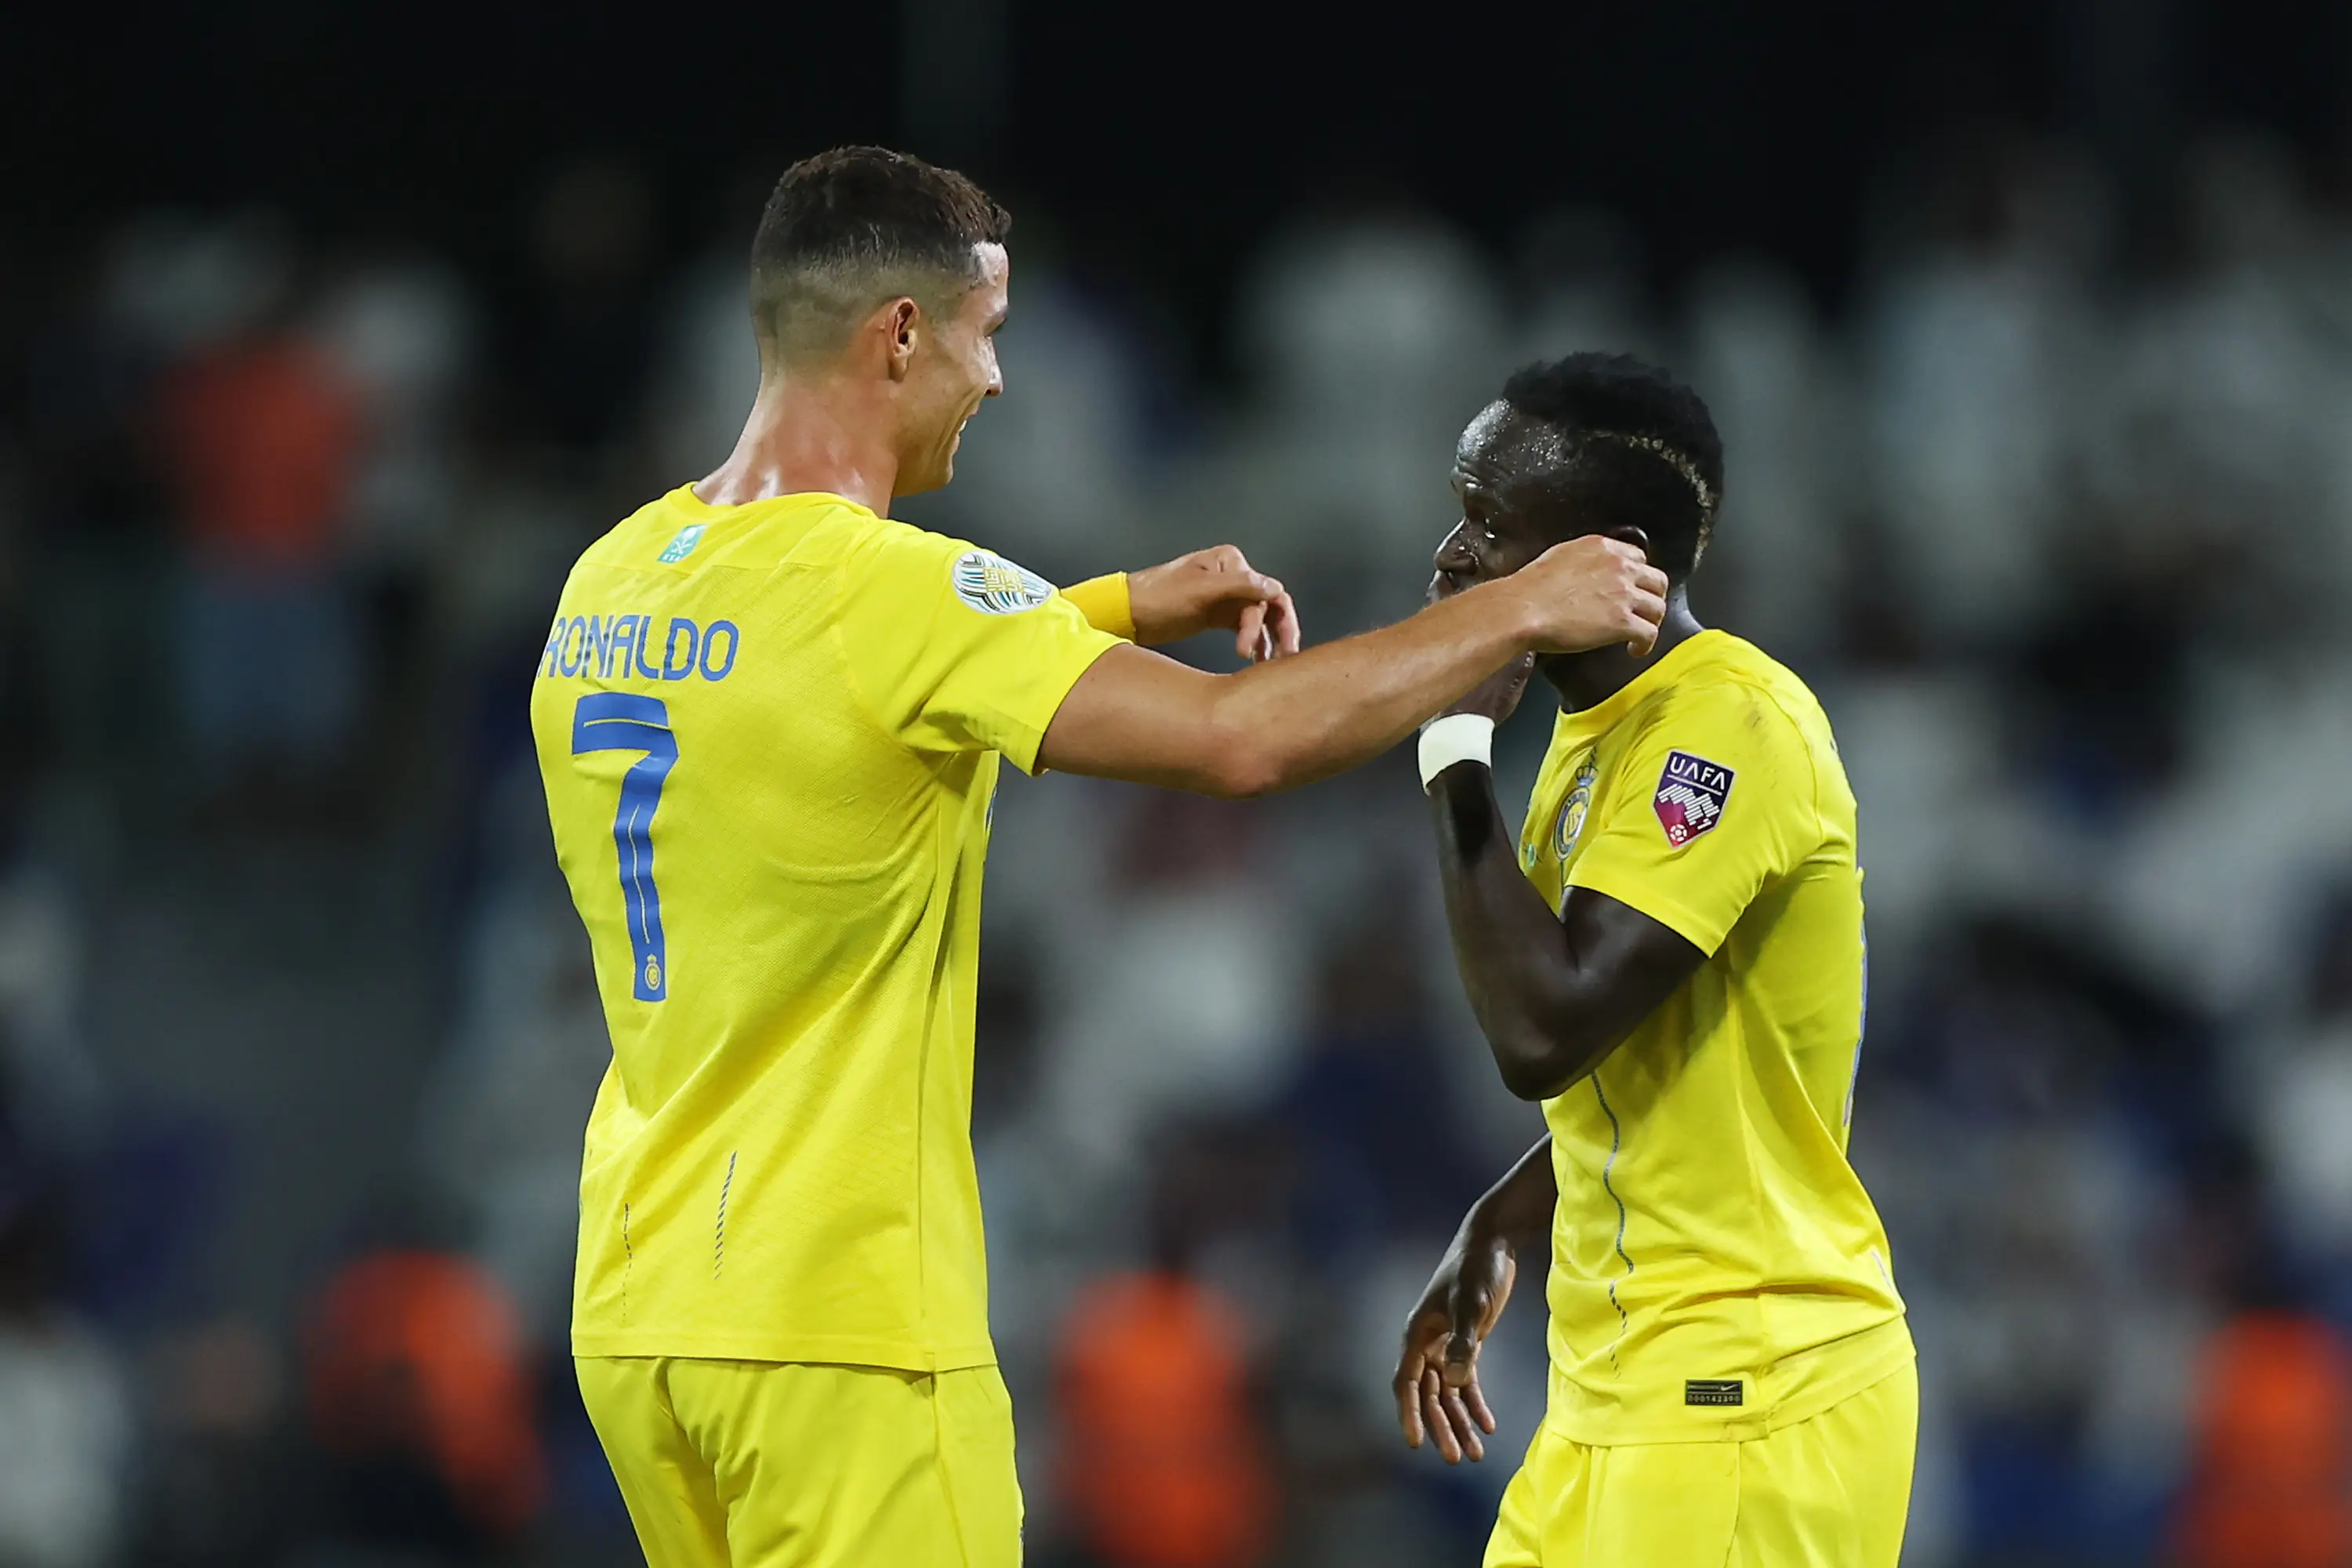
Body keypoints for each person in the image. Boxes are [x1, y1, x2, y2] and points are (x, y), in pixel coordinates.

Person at [529, 147, 1669, 1568]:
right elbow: (1241, 741)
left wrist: (1112, 606)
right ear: (898, 334)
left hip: (643, 1314)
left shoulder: (616, 579)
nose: (996, 380)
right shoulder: (886, 593)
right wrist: (1514, 607)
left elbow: (816, 702)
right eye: (984, 334)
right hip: (838, 1323)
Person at [1392, 353, 1915, 1566]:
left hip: (1748, 1390)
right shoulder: (1596, 735)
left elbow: (1543, 1032)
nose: (1451, 554)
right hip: (1617, 1400)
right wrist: (1502, 1218)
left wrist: (1453, 738)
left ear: (1614, 553)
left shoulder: (1730, 723)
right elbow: (1654, 1080)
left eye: (1487, 521)